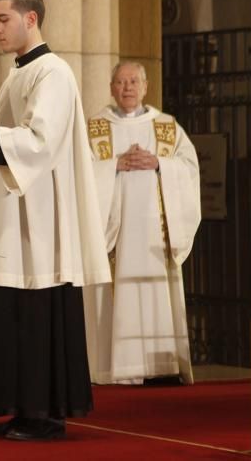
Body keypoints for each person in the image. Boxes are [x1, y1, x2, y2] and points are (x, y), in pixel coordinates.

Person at [0, 0, 111, 442]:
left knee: (35, 312)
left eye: (3, 19)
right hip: (16, 217)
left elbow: (39, 141)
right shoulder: (20, 73)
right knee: (10, 311)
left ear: (30, 19)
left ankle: (44, 414)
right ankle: (17, 407)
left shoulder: (52, 72)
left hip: (40, 221)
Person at [82, 61, 201, 385]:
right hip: (115, 234)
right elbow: (79, 173)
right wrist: (113, 165)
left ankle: (160, 367)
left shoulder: (166, 126)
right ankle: (111, 368)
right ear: (111, 88)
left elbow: (189, 168)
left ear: (146, 87)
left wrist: (159, 162)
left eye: (134, 81)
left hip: (154, 236)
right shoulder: (95, 128)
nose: (128, 88)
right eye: (120, 82)